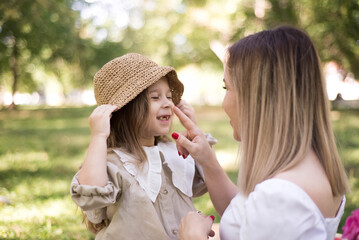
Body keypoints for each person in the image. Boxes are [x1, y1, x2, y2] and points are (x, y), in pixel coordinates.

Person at [171, 26, 350, 239]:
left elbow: (267, 213)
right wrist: (207, 161)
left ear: (255, 98)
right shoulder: (310, 168)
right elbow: (248, 220)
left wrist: (192, 237)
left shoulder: (280, 199)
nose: (223, 103)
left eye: (226, 88)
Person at [70, 53, 217, 240]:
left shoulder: (174, 152)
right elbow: (91, 196)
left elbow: (207, 180)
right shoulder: (114, 161)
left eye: (169, 97)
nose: (168, 104)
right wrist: (99, 137)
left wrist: (195, 132)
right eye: (155, 97)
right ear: (127, 109)